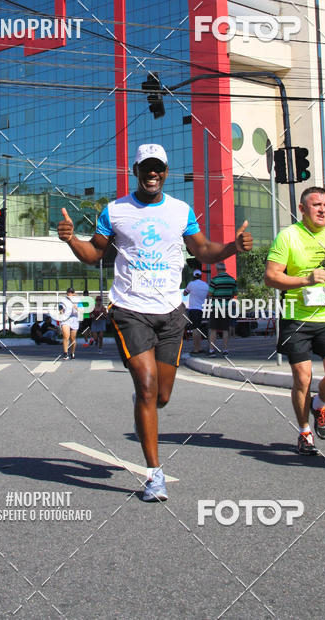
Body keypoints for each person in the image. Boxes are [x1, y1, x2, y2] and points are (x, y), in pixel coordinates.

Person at [58, 143, 253, 501]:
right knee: (149, 388)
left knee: (161, 395)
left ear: (165, 172)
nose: (152, 173)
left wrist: (231, 248)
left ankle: (144, 399)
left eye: (158, 168)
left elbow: (202, 250)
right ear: (136, 171)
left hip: (171, 313)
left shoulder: (180, 211)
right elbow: (94, 255)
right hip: (130, 310)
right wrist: (72, 240)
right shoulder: (115, 211)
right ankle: (154, 474)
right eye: (146, 167)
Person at [264, 187, 325, 456]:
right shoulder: (287, 236)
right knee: (302, 378)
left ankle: (319, 404)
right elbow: (270, 277)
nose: (322, 209)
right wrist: (305, 280)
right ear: (302, 209)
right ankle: (304, 432)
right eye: (316, 205)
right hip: (295, 317)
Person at [207, 261, 238, 356]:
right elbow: (235, 293)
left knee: (213, 329)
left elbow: (210, 293)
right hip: (227, 308)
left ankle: (212, 350)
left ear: (217, 270)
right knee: (225, 329)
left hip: (216, 307)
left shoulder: (214, 280)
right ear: (225, 269)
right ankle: (225, 349)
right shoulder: (232, 280)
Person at [183, 269, 209, 354]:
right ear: (201, 276)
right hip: (201, 309)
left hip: (193, 309)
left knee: (195, 329)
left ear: (194, 276)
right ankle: (199, 347)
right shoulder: (205, 285)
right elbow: (208, 295)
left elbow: (185, 293)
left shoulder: (191, 284)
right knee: (198, 328)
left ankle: (196, 349)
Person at [60, 287, 80, 360]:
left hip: (74, 319)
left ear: (73, 293)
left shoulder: (78, 300)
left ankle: (72, 352)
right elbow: (60, 307)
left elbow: (83, 310)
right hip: (65, 319)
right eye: (69, 292)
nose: (70, 293)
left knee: (73, 338)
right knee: (66, 336)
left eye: (71, 292)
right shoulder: (63, 300)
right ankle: (65, 353)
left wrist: (77, 308)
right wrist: (61, 311)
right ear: (67, 293)